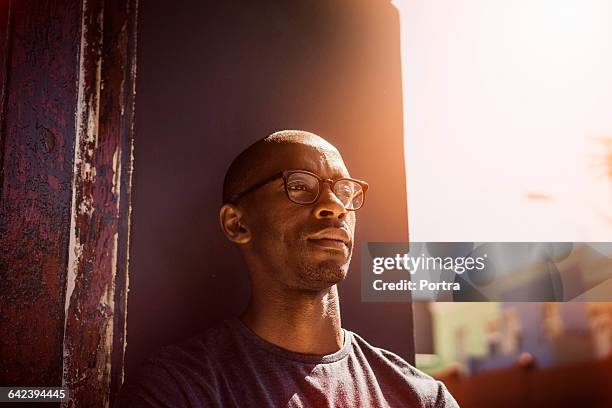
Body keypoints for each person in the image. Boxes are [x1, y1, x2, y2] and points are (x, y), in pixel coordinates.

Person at [118, 130, 458, 407]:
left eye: (344, 191)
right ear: (237, 224)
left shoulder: (421, 397)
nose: (334, 206)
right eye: (298, 186)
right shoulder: (179, 390)